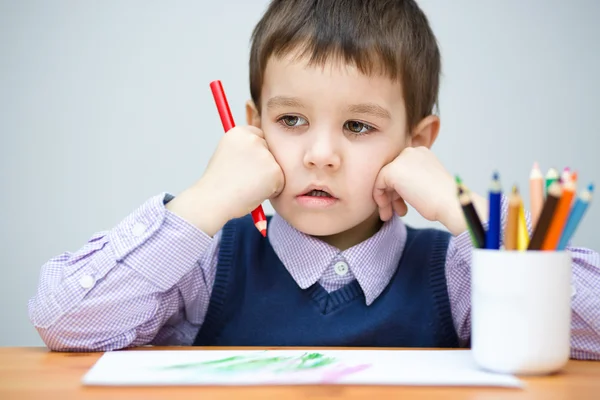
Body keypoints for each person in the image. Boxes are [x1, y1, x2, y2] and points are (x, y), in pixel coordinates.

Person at [28, 0, 600, 359]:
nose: (320, 155)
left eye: (358, 125)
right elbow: (62, 319)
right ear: (252, 129)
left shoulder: (456, 270)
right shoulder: (206, 262)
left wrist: (466, 213)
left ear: (417, 143)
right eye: (291, 120)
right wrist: (202, 204)